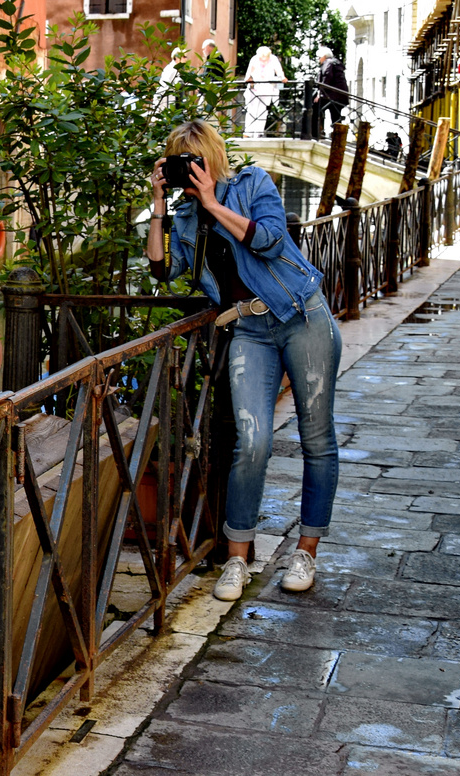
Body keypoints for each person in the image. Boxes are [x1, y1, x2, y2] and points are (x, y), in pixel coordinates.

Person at [145, 119, 341, 599]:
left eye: (197, 162)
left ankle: (307, 550)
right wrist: (157, 205)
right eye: (181, 165)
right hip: (248, 329)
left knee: (315, 437)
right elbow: (162, 270)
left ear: (212, 159)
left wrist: (214, 202)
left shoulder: (253, 183)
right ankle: (237, 559)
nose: (191, 173)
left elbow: (271, 240)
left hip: (301, 317)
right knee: (251, 442)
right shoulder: (188, 219)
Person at [243, 46, 285, 138]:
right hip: (255, 88)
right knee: (251, 110)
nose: (263, 60)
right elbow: (248, 73)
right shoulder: (254, 59)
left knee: (263, 111)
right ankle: (248, 132)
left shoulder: (273, 59)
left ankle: (258, 133)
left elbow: (279, 71)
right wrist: (249, 79)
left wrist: (282, 77)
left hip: (266, 88)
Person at [312, 46, 348, 140]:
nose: (319, 60)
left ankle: (316, 133)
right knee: (336, 116)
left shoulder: (327, 63)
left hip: (330, 95)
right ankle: (338, 137)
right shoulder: (337, 63)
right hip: (340, 95)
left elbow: (327, 78)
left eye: (319, 57)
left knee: (315, 109)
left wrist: (319, 93)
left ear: (324, 56)